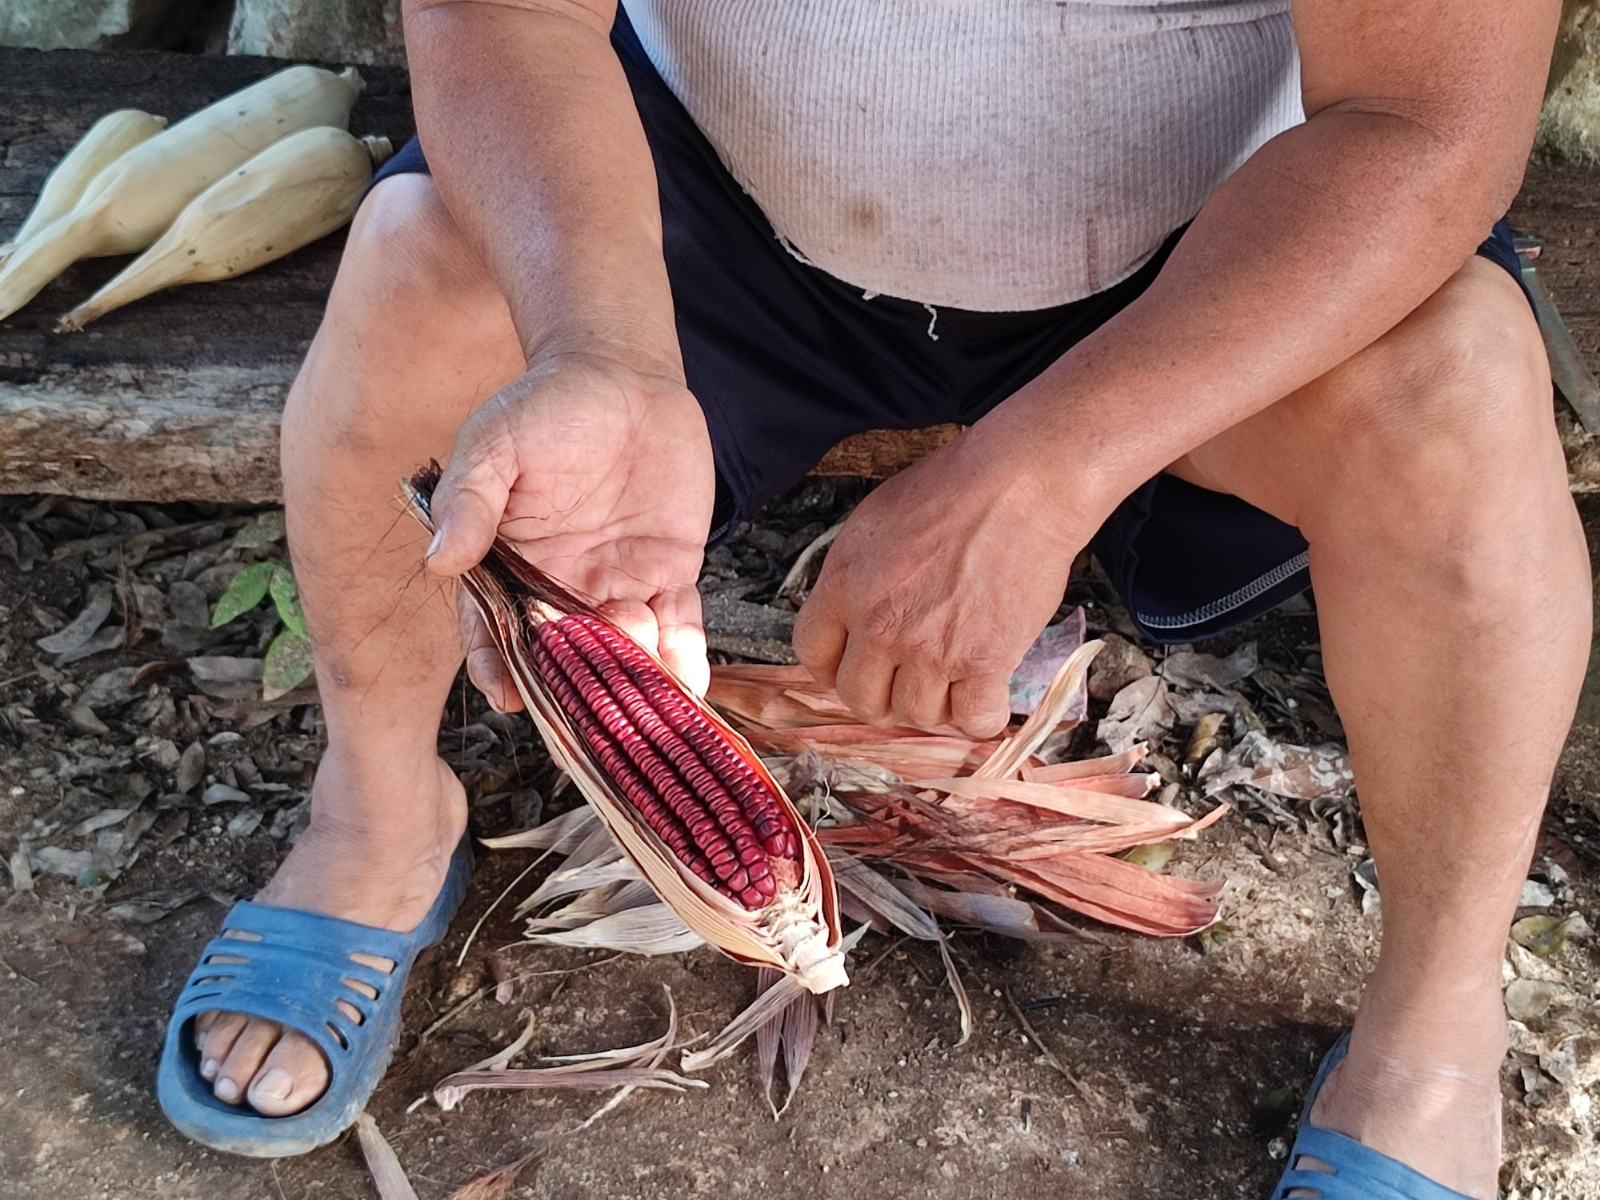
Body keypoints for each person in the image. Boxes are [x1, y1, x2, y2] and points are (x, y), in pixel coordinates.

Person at [154, 0, 1588, 1193]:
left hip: (1216, 244)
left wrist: (1046, 465)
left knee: (1453, 395)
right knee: (417, 291)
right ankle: (380, 812)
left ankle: (1434, 1021)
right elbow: (506, 13)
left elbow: (1420, 123)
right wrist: (601, 345)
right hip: (698, 198)